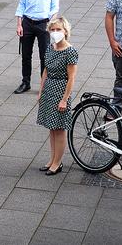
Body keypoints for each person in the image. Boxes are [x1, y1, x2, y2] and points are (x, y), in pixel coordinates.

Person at [36, 17, 78, 175]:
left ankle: (57, 163)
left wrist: (64, 99)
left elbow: (71, 78)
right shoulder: (50, 48)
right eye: (52, 30)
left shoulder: (70, 51)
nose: (55, 33)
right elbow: (45, 71)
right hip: (49, 89)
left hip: (61, 91)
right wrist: (41, 91)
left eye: (58, 29)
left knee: (59, 129)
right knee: (51, 128)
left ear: (65, 31)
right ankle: (52, 159)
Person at [14, 0, 59, 93]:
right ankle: (25, 82)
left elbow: (55, 6)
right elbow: (21, 4)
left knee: (44, 55)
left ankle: (44, 84)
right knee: (26, 55)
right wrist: (19, 24)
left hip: (43, 24)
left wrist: (51, 24)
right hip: (28, 22)